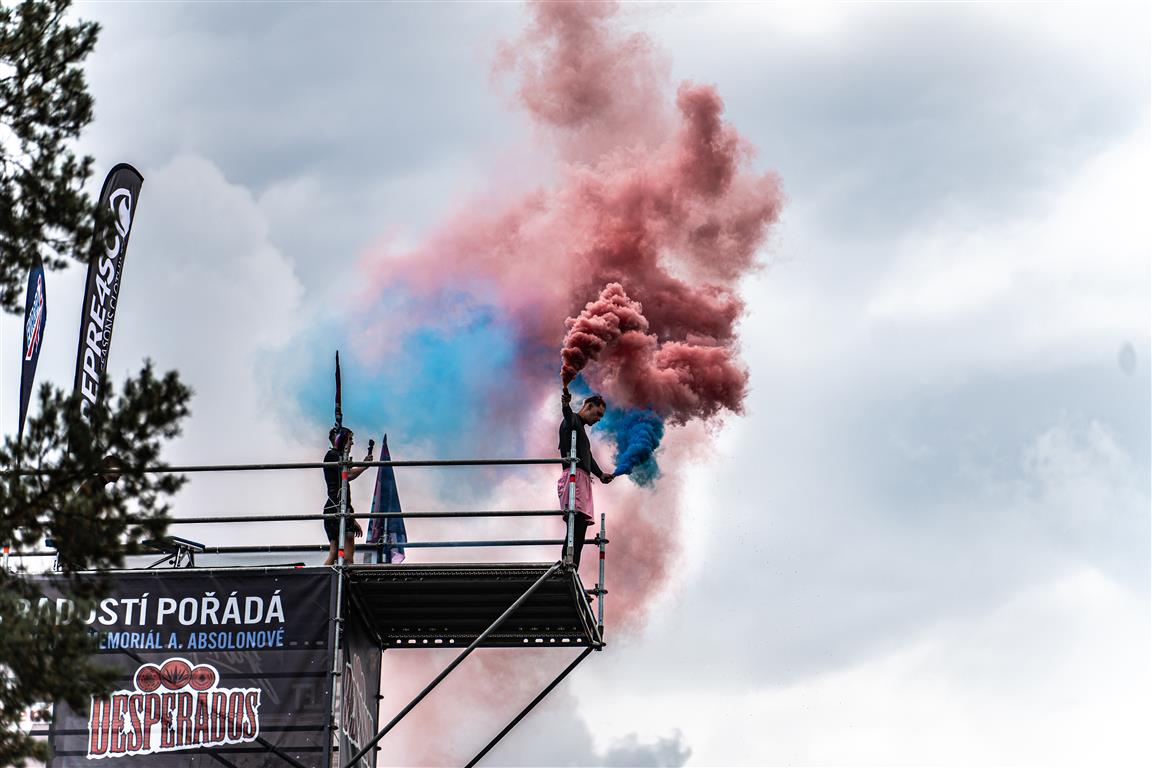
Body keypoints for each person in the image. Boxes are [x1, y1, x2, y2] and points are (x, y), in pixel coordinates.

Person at [557, 388, 614, 568]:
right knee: (576, 526)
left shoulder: (580, 429)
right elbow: (568, 415)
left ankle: (572, 568)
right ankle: (568, 567)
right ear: (588, 406)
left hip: (582, 480)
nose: (598, 419)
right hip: (574, 478)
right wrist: (565, 404)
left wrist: (600, 474)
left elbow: (587, 455)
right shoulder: (572, 421)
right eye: (598, 414)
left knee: (580, 529)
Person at [323, 427, 373, 566]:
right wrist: (364, 466)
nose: (352, 443)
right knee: (348, 555)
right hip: (339, 508)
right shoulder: (334, 456)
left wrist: (351, 517)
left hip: (334, 508)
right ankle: (344, 583)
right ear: (342, 439)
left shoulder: (333, 456)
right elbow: (348, 475)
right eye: (350, 439)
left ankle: (325, 581)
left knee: (334, 553)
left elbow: (345, 479)